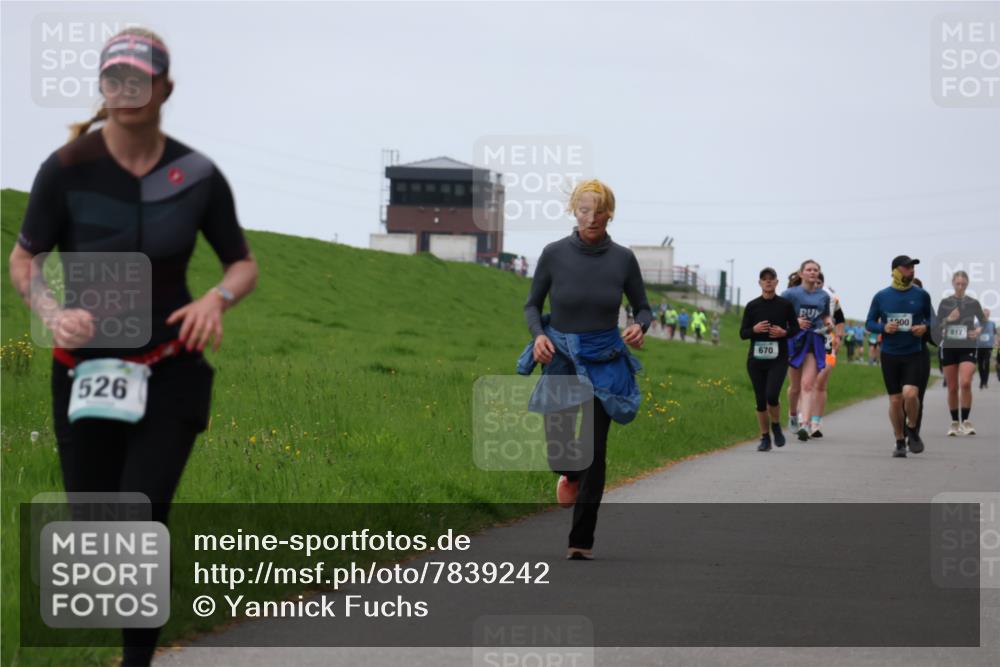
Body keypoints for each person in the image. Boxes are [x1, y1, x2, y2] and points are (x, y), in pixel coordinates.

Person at [8, 28, 258, 667]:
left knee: (141, 515)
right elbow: (24, 261)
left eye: (138, 80)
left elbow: (241, 266)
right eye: (113, 79)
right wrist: (50, 311)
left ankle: (137, 660)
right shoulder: (65, 171)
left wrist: (214, 301)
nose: (125, 91)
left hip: (170, 370)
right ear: (102, 87)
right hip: (84, 370)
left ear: (164, 88)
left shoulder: (197, 173)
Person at [523, 178, 650, 561]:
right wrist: (538, 336)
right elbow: (532, 305)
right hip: (560, 355)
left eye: (598, 211)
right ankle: (569, 474)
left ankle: (581, 539)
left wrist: (639, 326)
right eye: (583, 210)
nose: (590, 217)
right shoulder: (553, 253)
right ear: (574, 212)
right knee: (560, 449)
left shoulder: (623, 259)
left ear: (609, 213)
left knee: (594, 448)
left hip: (604, 359)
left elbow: (643, 307)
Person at [865, 256, 932, 458]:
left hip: (914, 353)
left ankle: (912, 428)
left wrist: (925, 327)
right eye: (907, 267)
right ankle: (899, 440)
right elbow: (869, 323)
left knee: (910, 394)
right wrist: (883, 327)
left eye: (913, 267)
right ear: (895, 270)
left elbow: (932, 320)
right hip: (890, 355)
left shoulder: (922, 295)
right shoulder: (881, 296)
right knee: (895, 401)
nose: (911, 270)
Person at [740, 267, 800, 451]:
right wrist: (754, 330)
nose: (768, 281)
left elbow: (796, 329)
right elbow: (742, 333)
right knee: (760, 400)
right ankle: (765, 438)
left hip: (778, 358)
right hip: (756, 360)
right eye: (764, 279)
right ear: (759, 283)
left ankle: (776, 425)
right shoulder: (752, 306)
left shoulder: (785, 305)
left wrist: (784, 332)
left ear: (776, 282)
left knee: (772, 395)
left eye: (771, 279)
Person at [781, 259, 833, 441]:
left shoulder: (824, 296)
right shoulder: (790, 294)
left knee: (808, 385)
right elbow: (780, 315)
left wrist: (828, 322)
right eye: (809, 270)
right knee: (795, 388)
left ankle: (805, 424)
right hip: (794, 340)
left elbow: (825, 314)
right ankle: (793, 414)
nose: (812, 272)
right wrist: (795, 322)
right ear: (801, 273)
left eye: (815, 270)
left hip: (814, 339)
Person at [936, 270, 987, 436]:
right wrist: (948, 320)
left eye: (963, 284)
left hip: (968, 346)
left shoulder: (973, 303)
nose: (960, 287)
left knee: (965, 382)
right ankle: (954, 422)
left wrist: (979, 330)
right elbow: (937, 326)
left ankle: (966, 421)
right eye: (957, 284)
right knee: (952, 387)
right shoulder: (945, 303)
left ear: (967, 285)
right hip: (949, 347)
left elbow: (984, 322)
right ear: (952, 283)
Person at [807, 273, 844, 438]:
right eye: (813, 282)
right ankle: (801, 417)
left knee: (820, 382)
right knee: (805, 383)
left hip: (828, 344)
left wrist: (839, 337)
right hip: (806, 345)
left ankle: (816, 422)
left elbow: (841, 319)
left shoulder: (831, 299)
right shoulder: (800, 298)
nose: (816, 285)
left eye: (819, 282)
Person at [977, 308, 995, 389]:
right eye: (984, 314)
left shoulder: (992, 323)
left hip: (988, 347)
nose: (985, 316)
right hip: (979, 346)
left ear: (989, 315)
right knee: (980, 365)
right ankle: (981, 380)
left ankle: (985, 382)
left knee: (986, 363)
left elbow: (994, 333)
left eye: (987, 314)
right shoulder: (977, 324)